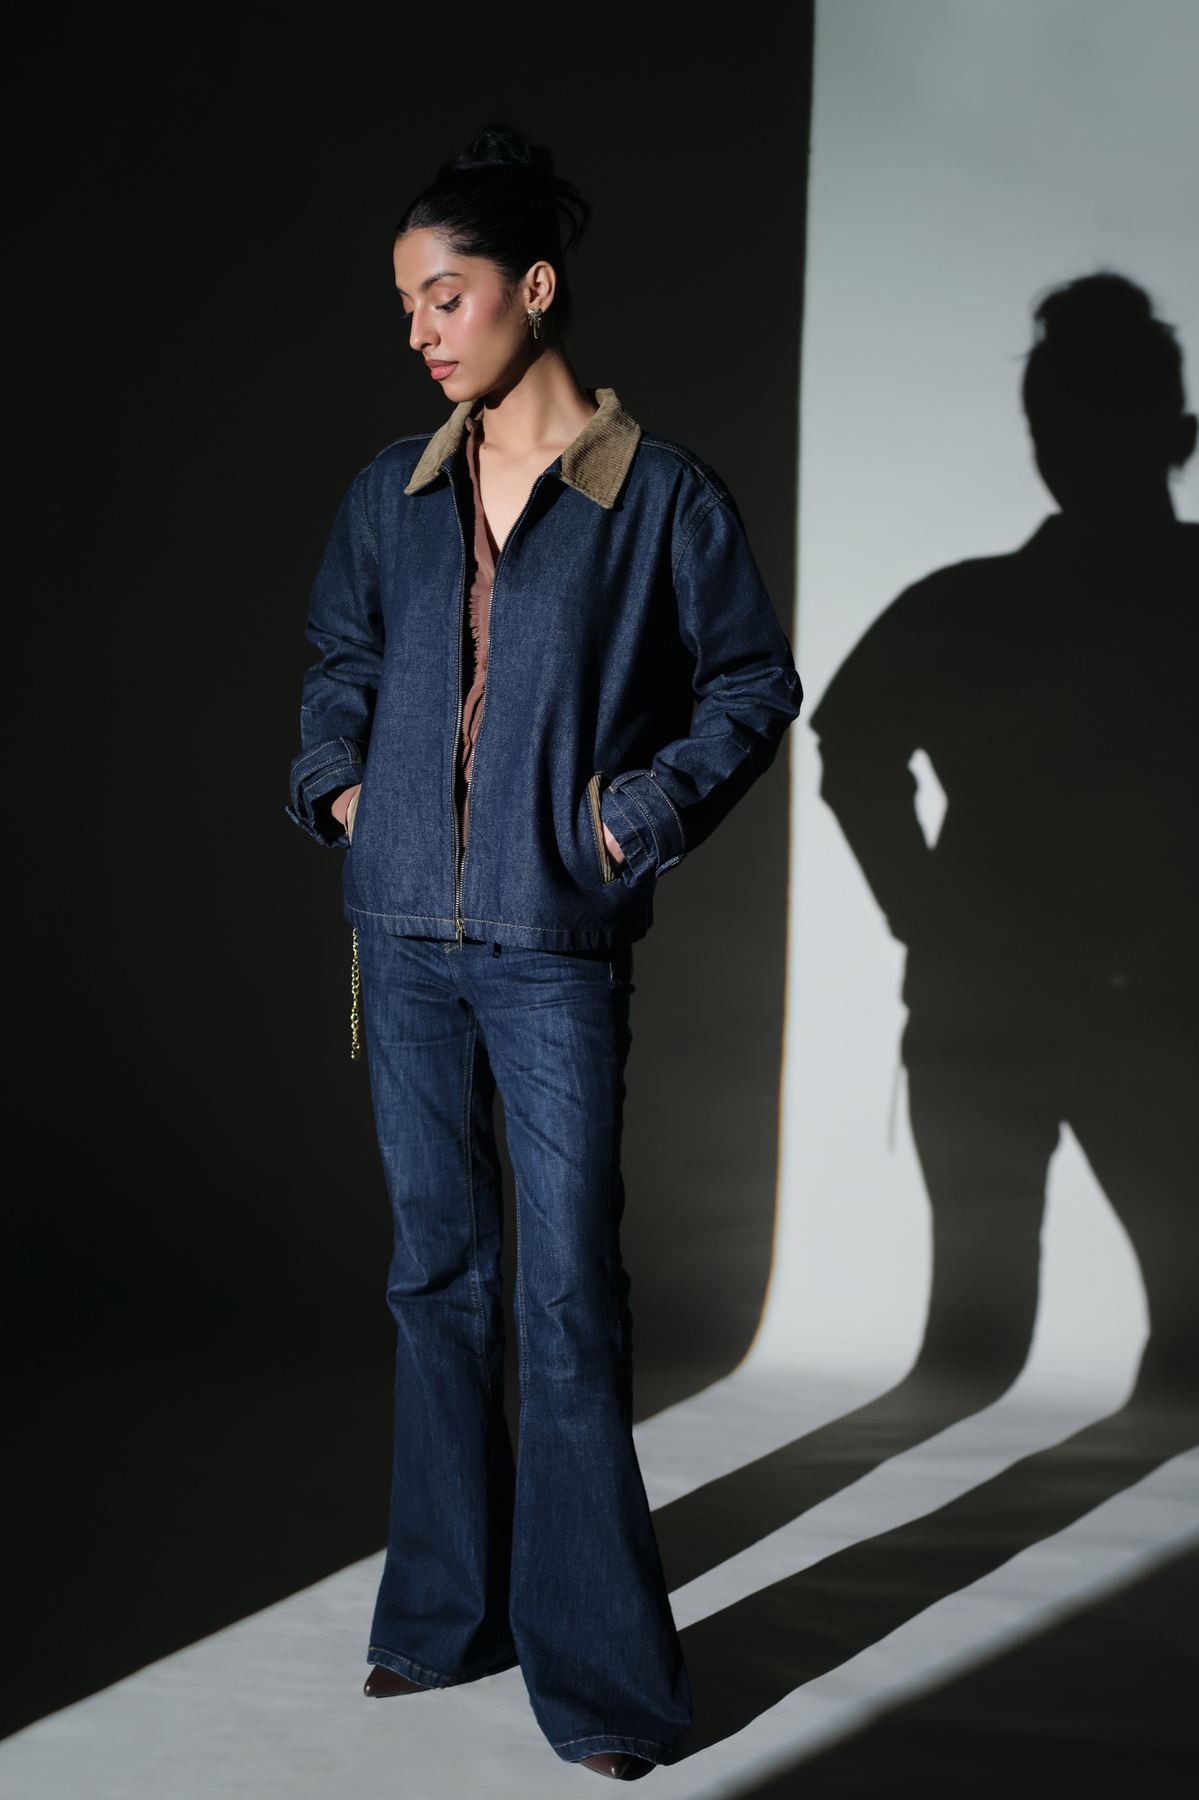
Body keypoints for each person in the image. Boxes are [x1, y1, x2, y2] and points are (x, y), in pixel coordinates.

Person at [287, 125, 802, 1779]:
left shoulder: (657, 498)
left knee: (567, 1297)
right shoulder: (394, 490)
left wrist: (627, 818)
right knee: (434, 1279)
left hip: (550, 949)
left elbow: (750, 686)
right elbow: (339, 658)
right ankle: (443, 1613)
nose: (419, 331)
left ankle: (600, 1681)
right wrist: (346, 787)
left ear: (533, 286)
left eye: (442, 296)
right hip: (400, 940)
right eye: (404, 304)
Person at [813, 274, 1199, 1411]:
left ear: (1041, 445)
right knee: (1172, 1340)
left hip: (990, 1000)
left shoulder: (962, 605)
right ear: (1178, 435)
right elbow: (850, 753)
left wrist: (927, 915)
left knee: (974, 1341)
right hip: (1153, 1007)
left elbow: (849, 752)